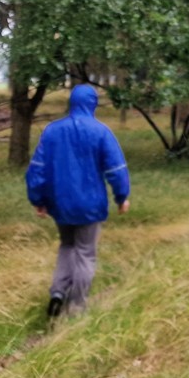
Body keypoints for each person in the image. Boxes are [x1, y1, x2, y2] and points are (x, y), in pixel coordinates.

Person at [25, 84, 130, 318]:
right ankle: (77, 307)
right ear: (93, 104)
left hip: (59, 204)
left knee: (67, 246)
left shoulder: (52, 131)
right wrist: (121, 197)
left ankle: (57, 293)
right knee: (85, 252)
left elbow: (37, 170)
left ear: (71, 103)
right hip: (90, 206)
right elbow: (116, 169)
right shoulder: (101, 132)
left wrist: (38, 199)